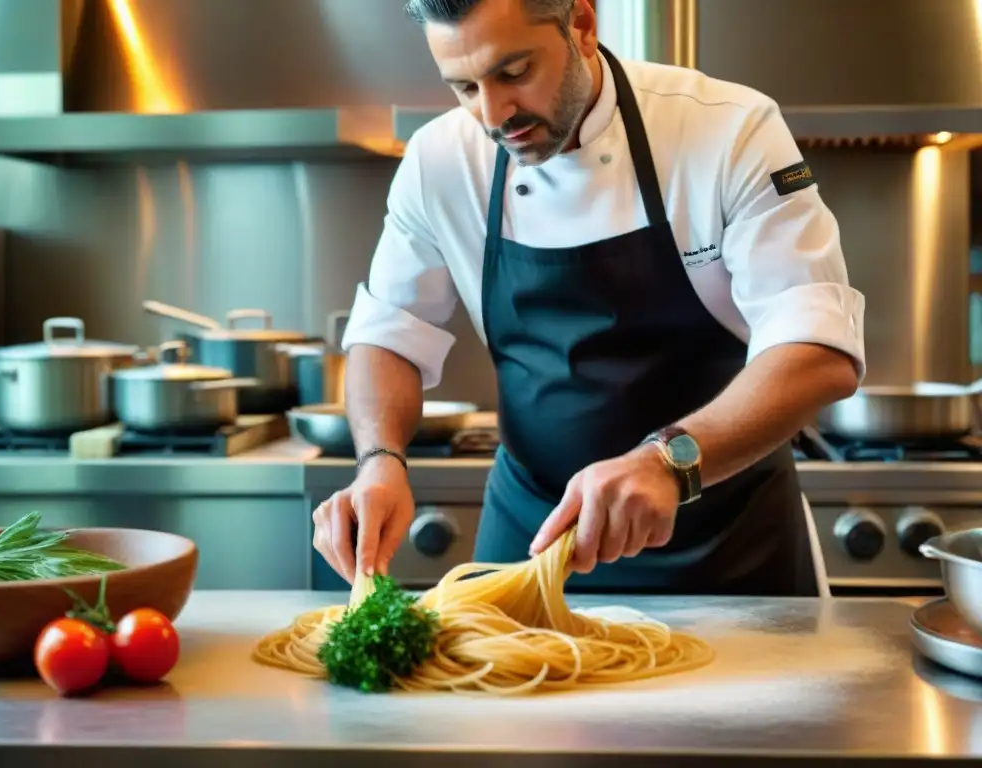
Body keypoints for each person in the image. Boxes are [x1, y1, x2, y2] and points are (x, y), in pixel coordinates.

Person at [312, 0, 866, 596]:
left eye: (515, 72)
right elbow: (387, 331)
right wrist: (379, 462)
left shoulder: (728, 128)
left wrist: (666, 463)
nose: (494, 114)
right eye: (465, 87)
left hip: (727, 539)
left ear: (580, 24)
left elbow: (817, 349)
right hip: (533, 541)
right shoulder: (439, 160)